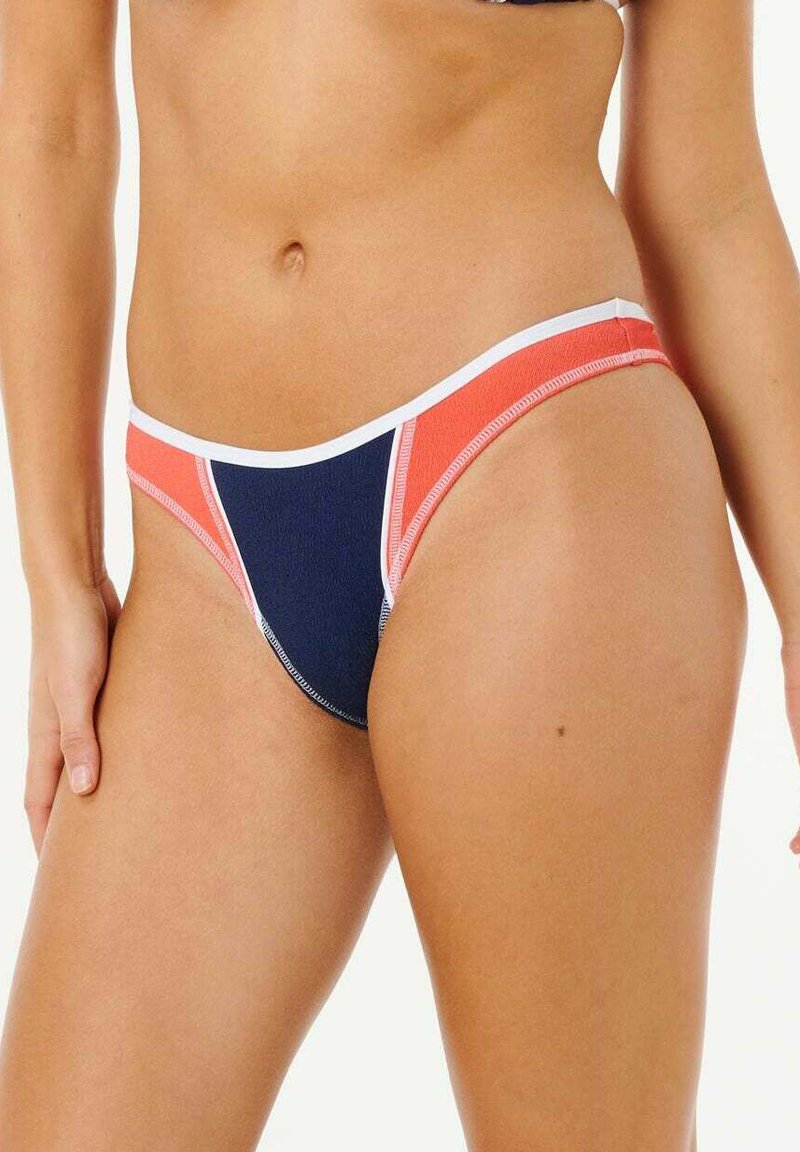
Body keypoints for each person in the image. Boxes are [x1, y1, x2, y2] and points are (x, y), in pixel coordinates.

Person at [0, 0, 797, 1148]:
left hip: (529, 456)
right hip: (196, 549)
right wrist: (58, 569)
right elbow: (52, 118)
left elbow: (705, 195)